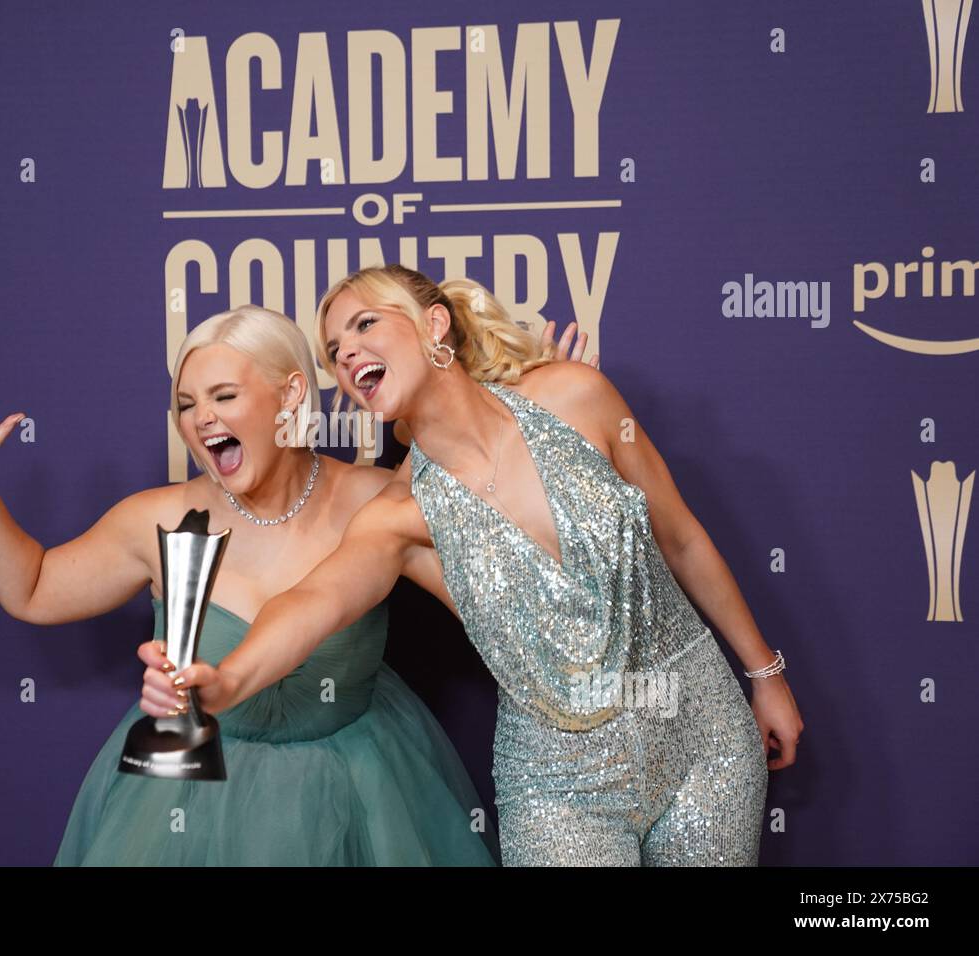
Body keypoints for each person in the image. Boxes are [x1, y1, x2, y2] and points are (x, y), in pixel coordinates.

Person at [140, 264, 805, 866]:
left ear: (434, 324)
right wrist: (223, 684)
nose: (347, 356)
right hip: (559, 786)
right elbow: (311, 603)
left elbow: (681, 537)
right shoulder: (397, 514)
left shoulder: (576, 397)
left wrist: (765, 673)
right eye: (334, 353)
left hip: (702, 735)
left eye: (365, 324)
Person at [0, 302, 593, 865]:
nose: (202, 420)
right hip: (187, 790)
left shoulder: (380, 504)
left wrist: (547, 440)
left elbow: (510, 599)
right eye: (187, 405)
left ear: (289, 396)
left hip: (365, 789)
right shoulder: (158, 521)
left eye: (224, 397)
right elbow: (31, 589)